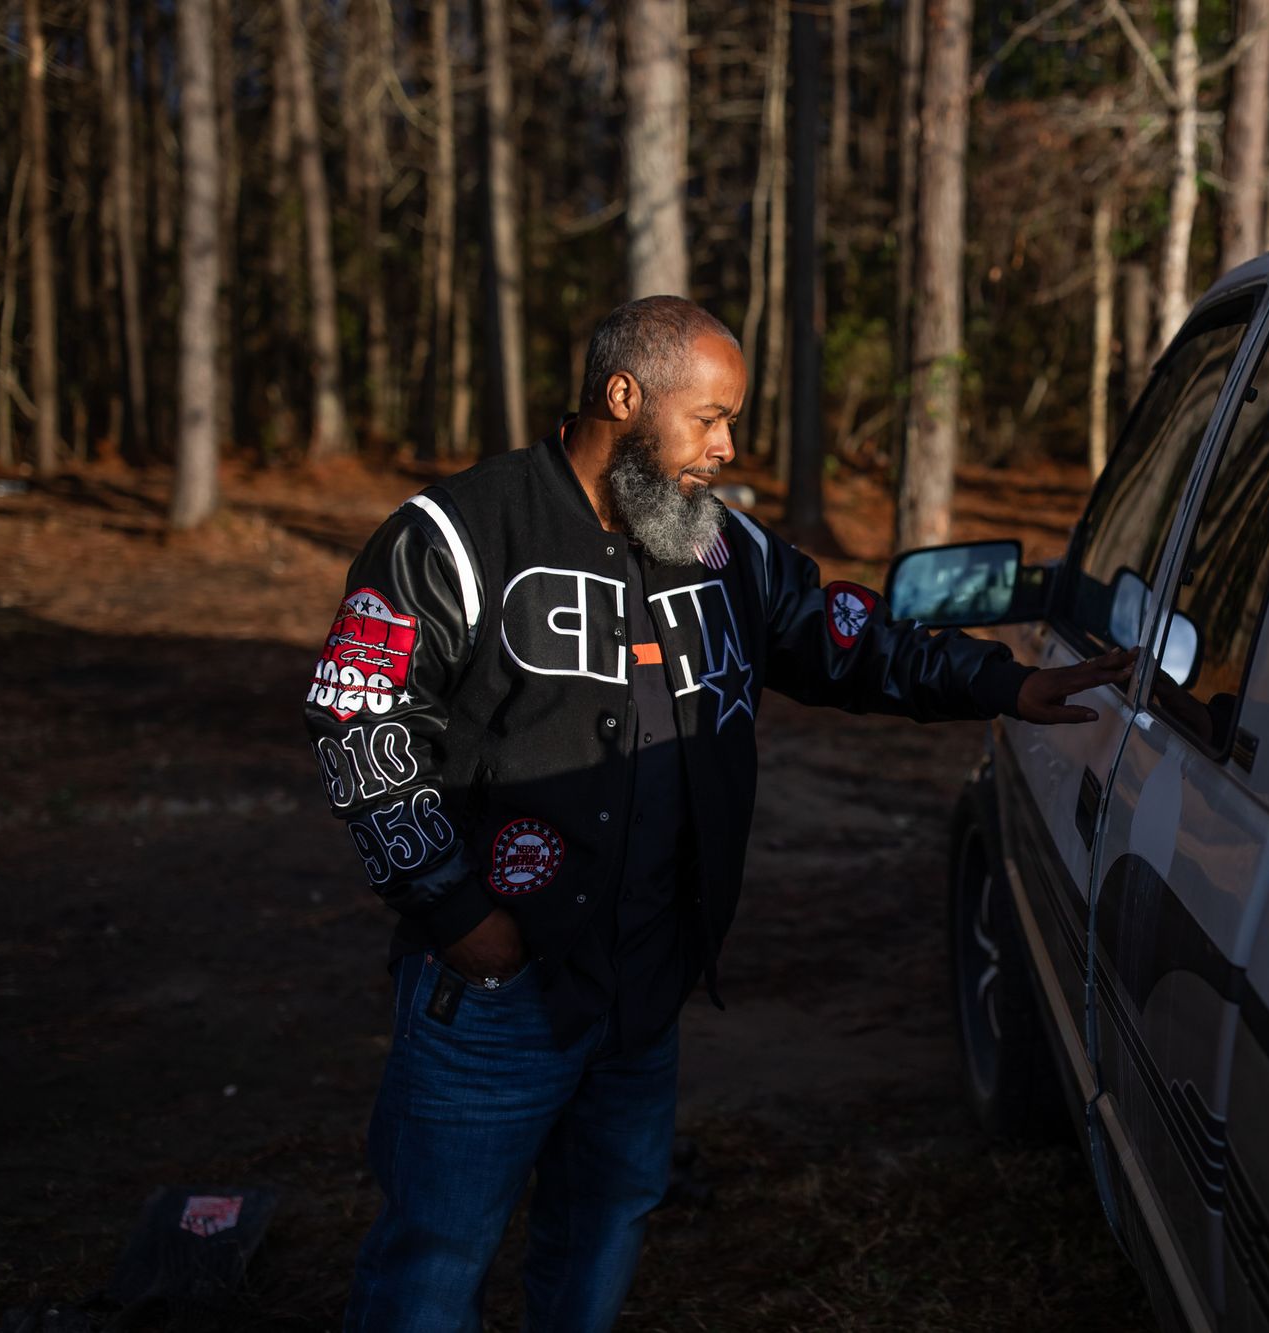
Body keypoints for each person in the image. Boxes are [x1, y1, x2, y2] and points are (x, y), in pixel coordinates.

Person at [302, 295, 1133, 1332]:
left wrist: (1000, 684)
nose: (726, 446)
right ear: (623, 395)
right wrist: (460, 916)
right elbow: (358, 722)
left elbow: (844, 638)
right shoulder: (456, 536)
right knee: (435, 1255)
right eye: (709, 418)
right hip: (497, 990)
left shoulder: (716, 541)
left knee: (605, 1221)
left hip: (644, 985)